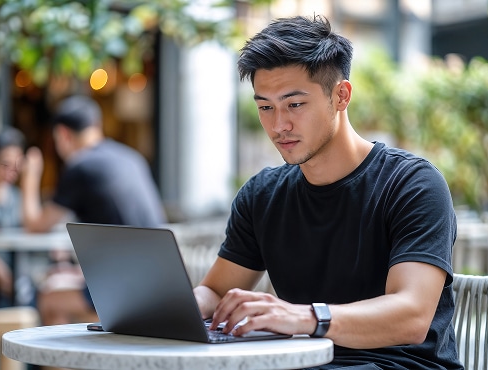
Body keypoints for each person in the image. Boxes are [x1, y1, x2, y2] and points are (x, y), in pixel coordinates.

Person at [193, 15, 463, 369]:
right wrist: (167, 309)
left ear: (341, 95)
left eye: (295, 104)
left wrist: (304, 318)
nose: (278, 125)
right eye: (265, 107)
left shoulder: (412, 184)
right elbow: (214, 292)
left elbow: (411, 316)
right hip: (302, 363)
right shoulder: (262, 195)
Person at [21, 95, 166, 326]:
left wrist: (30, 177)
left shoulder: (81, 166)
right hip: (160, 282)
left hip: (126, 292)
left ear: (62, 135)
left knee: (48, 301)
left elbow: (35, 226)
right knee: (62, 285)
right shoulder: (131, 158)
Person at [0, 127, 26, 308]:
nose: (12, 172)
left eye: (17, 166)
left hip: (18, 278)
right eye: (5, 165)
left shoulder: (18, 197)